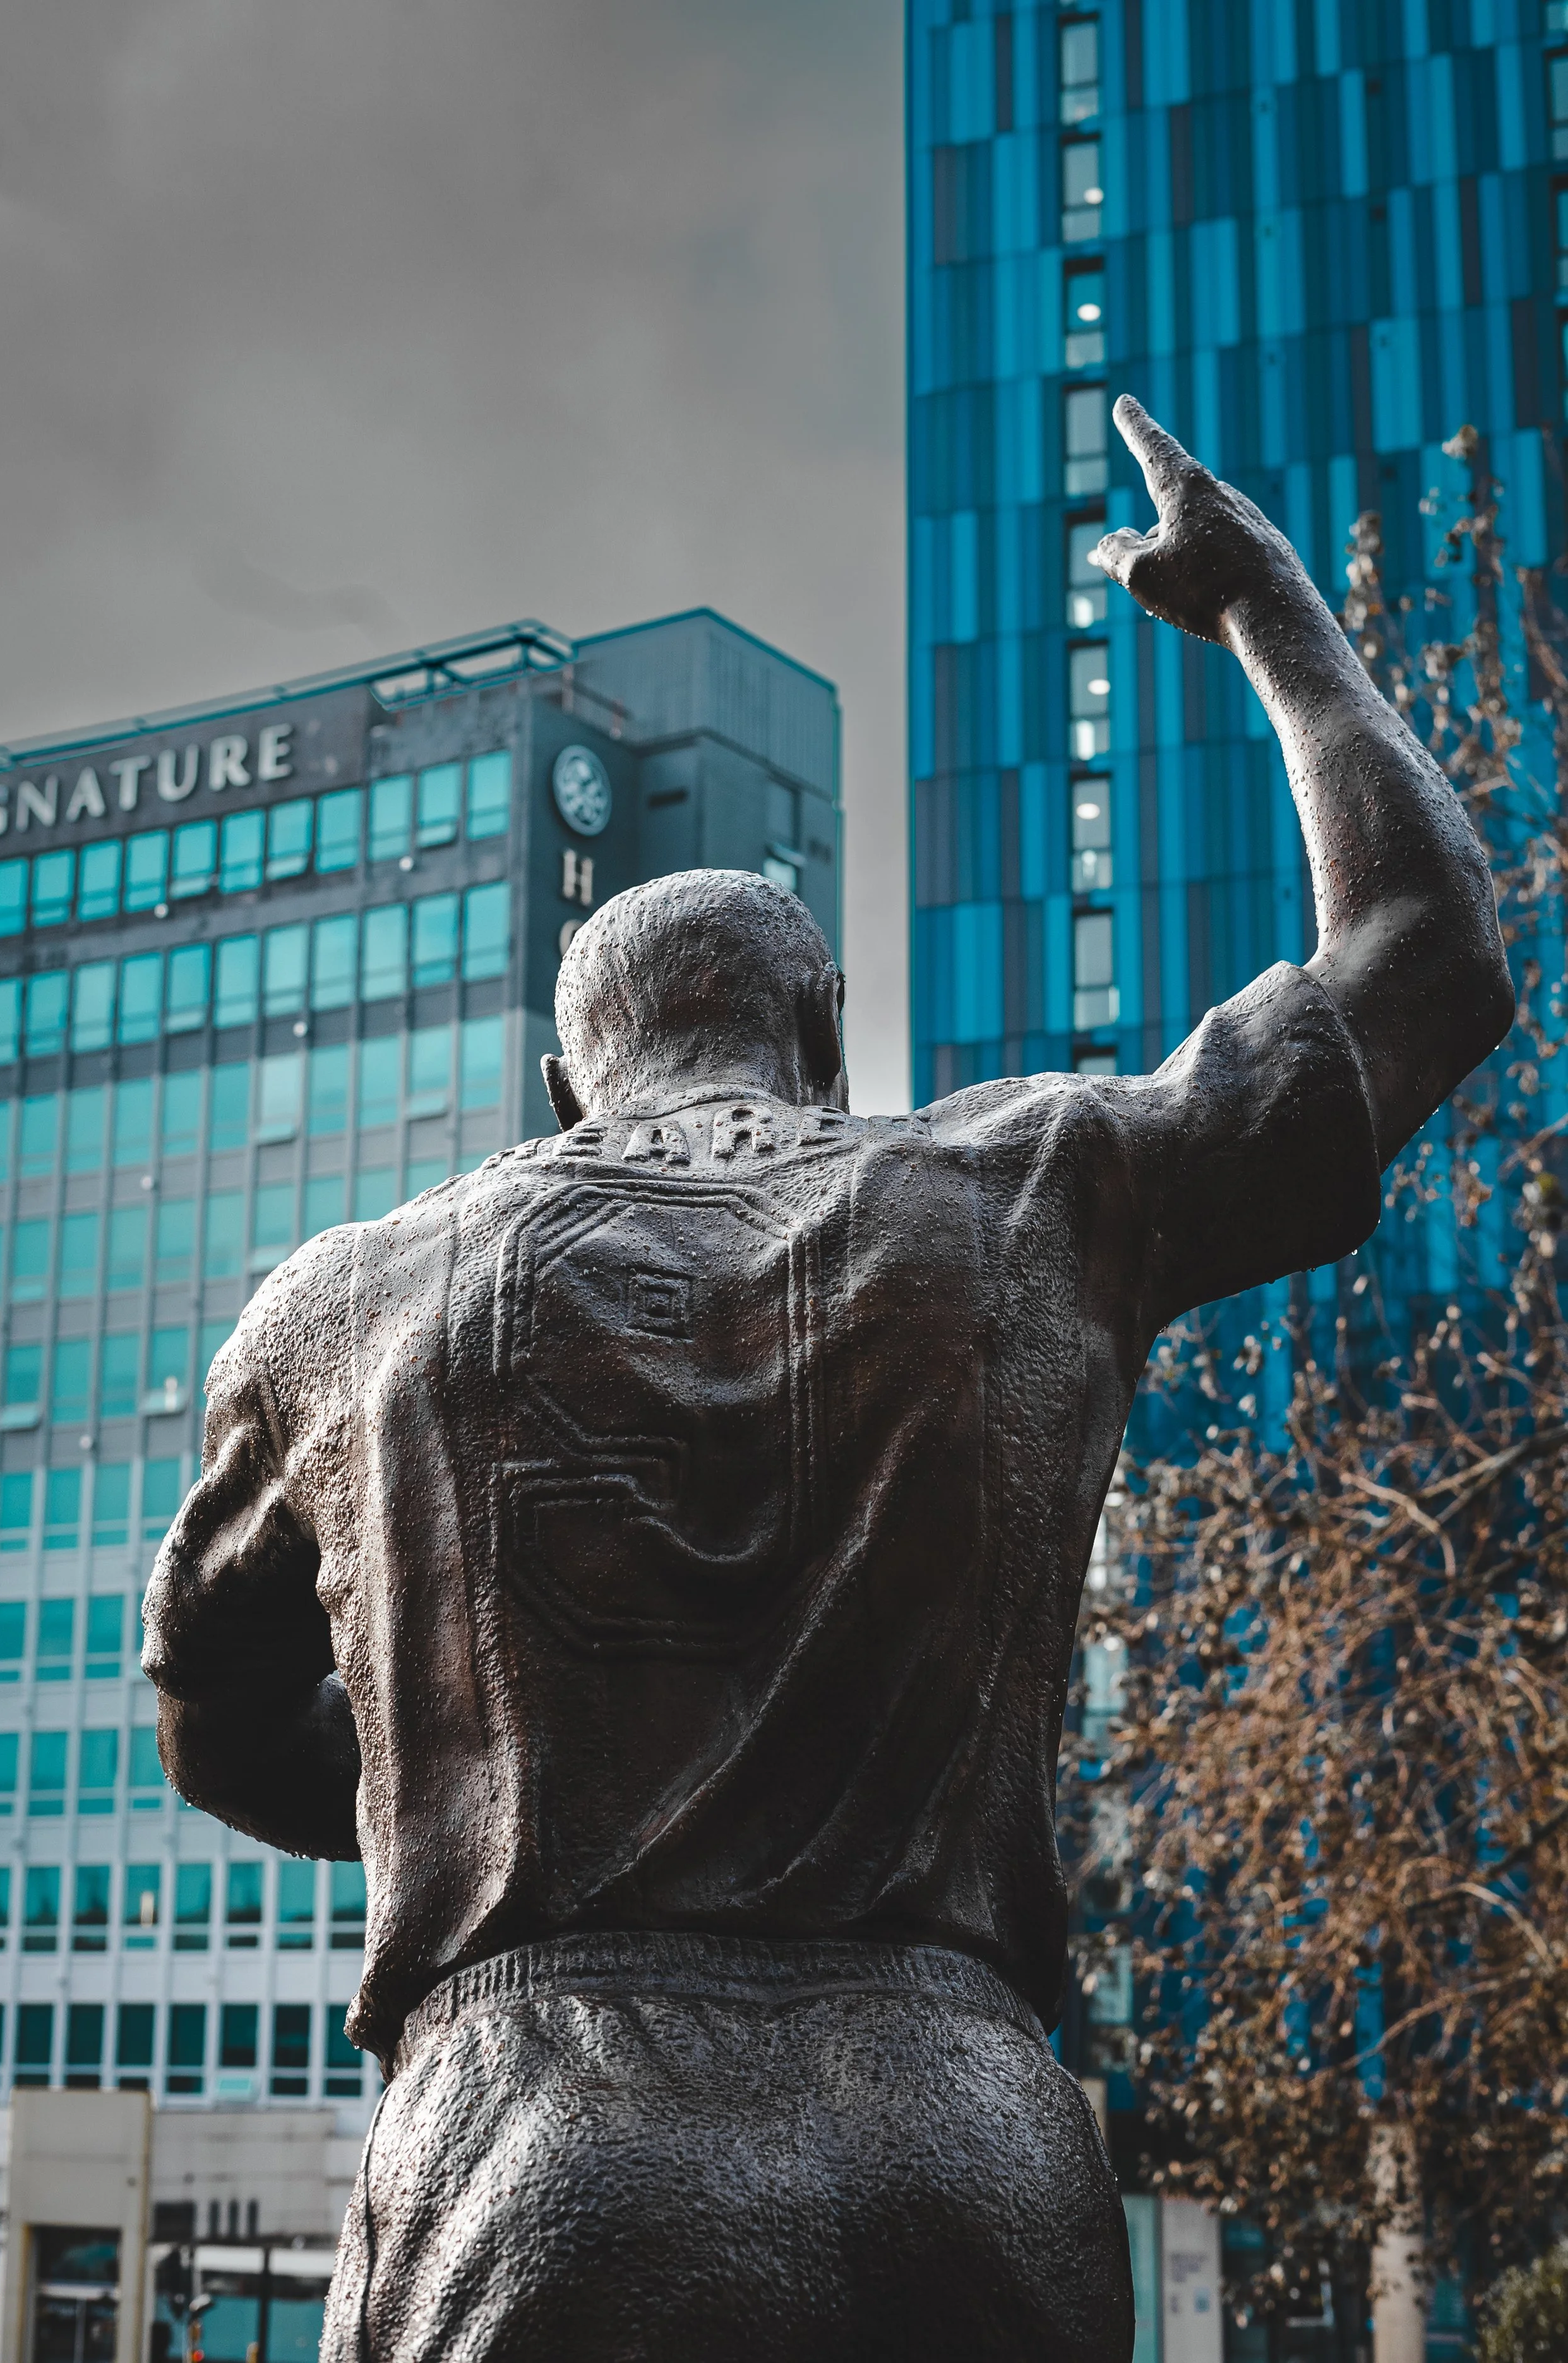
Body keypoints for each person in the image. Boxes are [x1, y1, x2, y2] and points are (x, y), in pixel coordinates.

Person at [143, 402, 1512, 2363]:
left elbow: (203, 1701)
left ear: (565, 1085)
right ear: (820, 1038)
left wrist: (484, 1763)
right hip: (959, 2137)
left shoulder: (346, 1301)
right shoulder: (1032, 1183)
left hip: (535, 2139)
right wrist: (1265, 606)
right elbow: (1428, 952)